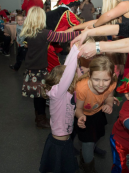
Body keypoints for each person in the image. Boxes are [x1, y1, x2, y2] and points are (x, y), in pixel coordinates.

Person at [20, 6, 81, 128]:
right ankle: (41, 119)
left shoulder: (29, 33)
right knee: (41, 96)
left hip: (31, 69)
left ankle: (39, 116)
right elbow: (62, 37)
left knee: (37, 96)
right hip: (40, 69)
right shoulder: (44, 33)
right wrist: (82, 32)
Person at [39, 44, 80, 173]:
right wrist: (76, 51)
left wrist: (73, 51)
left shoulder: (63, 92)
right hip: (59, 144)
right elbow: (69, 72)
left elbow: (67, 69)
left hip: (65, 141)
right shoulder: (58, 93)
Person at [75, 56, 117, 172]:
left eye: (106, 80)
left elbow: (109, 96)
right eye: (96, 79)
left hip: (98, 114)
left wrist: (109, 104)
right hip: (84, 116)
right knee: (87, 143)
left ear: (112, 77)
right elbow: (77, 108)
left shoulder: (112, 82)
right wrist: (80, 116)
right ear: (89, 76)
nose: (101, 84)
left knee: (97, 136)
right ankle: (87, 165)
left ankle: (90, 149)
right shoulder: (83, 88)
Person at [45, 0, 81, 73]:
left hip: (45, 40)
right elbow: (79, 25)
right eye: (77, 7)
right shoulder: (67, 13)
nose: (77, 9)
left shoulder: (58, 10)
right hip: (47, 43)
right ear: (73, 6)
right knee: (56, 69)